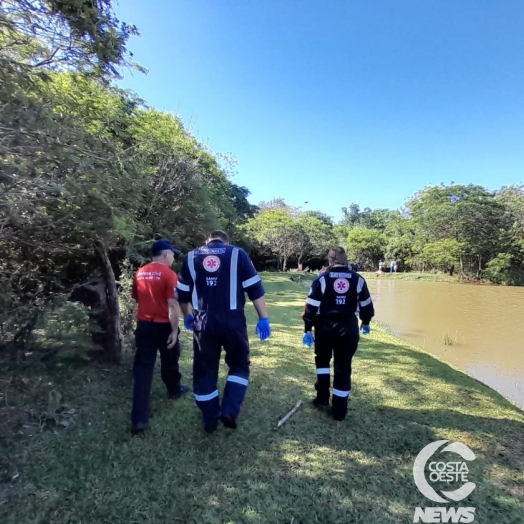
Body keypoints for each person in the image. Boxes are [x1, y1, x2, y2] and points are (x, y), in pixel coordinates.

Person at [176, 230, 271, 433]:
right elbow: (255, 289)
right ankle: (229, 409)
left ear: (207, 240)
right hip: (233, 322)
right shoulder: (238, 254)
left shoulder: (192, 256)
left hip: (203, 322)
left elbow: (182, 295)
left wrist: (187, 315)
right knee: (239, 364)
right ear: (226, 241)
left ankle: (210, 417)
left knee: (205, 369)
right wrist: (263, 318)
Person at [301, 246, 375, 421]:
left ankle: (322, 399)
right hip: (348, 329)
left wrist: (307, 329)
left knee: (323, 362)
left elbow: (310, 307)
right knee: (343, 367)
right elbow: (366, 305)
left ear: (330, 260)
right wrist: (365, 322)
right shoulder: (358, 279)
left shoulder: (322, 279)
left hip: (324, 328)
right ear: (346, 259)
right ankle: (339, 411)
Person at [130, 239, 190, 435]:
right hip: (163, 326)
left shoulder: (139, 273)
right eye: (173, 254)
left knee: (143, 370)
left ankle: (139, 418)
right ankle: (174, 389)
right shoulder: (169, 275)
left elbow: (138, 298)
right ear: (165, 255)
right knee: (170, 359)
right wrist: (174, 330)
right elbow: (172, 305)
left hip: (144, 325)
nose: (173, 258)